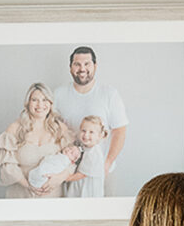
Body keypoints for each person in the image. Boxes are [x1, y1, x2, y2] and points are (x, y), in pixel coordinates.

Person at [53, 46, 128, 178]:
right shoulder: (58, 94)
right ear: (70, 67)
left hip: (100, 170)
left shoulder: (109, 94)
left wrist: (107, 163)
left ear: (95, 66)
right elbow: (51, 128)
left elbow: (120, 131)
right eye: (77, 64)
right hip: (68, 171)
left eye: (87, 64)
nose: (82, 69)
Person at [0, 83, 74, 198]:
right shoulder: (15, 128)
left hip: (53, 197)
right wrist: (28, 185)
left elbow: (73, 161)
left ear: (51, 103)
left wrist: (60, 177)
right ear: (28, 103)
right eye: (34, 100)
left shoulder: (60, 128)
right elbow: (7, 166)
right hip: (21, 195)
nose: (40, 105)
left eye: (44, 100)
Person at [65, 115, 109, 198]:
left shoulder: (94, 153)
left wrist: (66, 178)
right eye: (83, 131)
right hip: (80, 182)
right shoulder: (84, 147)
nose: (86, 135)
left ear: (99, 136)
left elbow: (82, 174)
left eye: (91, 132)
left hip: (88, 187)